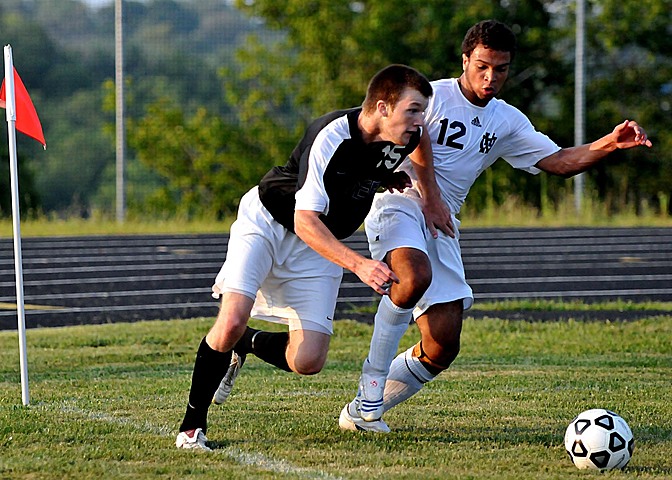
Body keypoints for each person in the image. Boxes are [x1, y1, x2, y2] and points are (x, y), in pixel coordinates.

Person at [339, 19, 653, 433]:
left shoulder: (506, 120)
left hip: (442, 218)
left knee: (442, 343)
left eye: (500, 69)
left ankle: (355, 412)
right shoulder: (429, 97)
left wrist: (610, 143)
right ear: (465, 59)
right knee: (412, 278)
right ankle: (369, 398)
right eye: (482, 66)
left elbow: (558, 161)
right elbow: (405, 139)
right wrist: (429, 198)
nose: (490, 78)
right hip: (399, 200)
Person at [175, 64, 443, 450]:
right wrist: (360, 264)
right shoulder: (331, 134)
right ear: (383, 108)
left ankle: (245, 344)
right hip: (271, 223)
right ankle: (192, 427)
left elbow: (420, 144)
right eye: (414, 110)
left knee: (308, 361)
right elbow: (305, 221)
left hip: (321, 242)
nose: (421, 121)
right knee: (231, 318)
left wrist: (423, 193)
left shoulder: (407, 134)